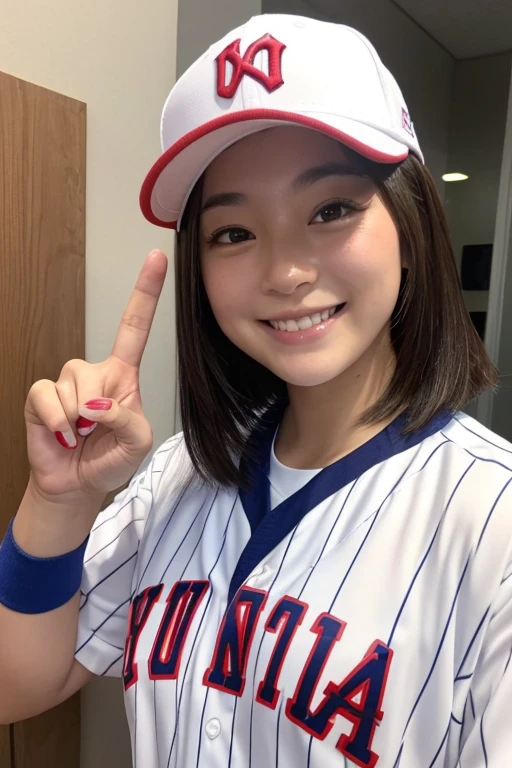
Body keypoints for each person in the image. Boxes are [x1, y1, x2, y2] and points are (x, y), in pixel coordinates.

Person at [0, 12, 511, 768]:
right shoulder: (175, 478)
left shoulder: (492, 527)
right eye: (233, 233)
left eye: (331, 209)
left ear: (411, 223)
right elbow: (17, 688)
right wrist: (59, 501)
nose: (285, 272)